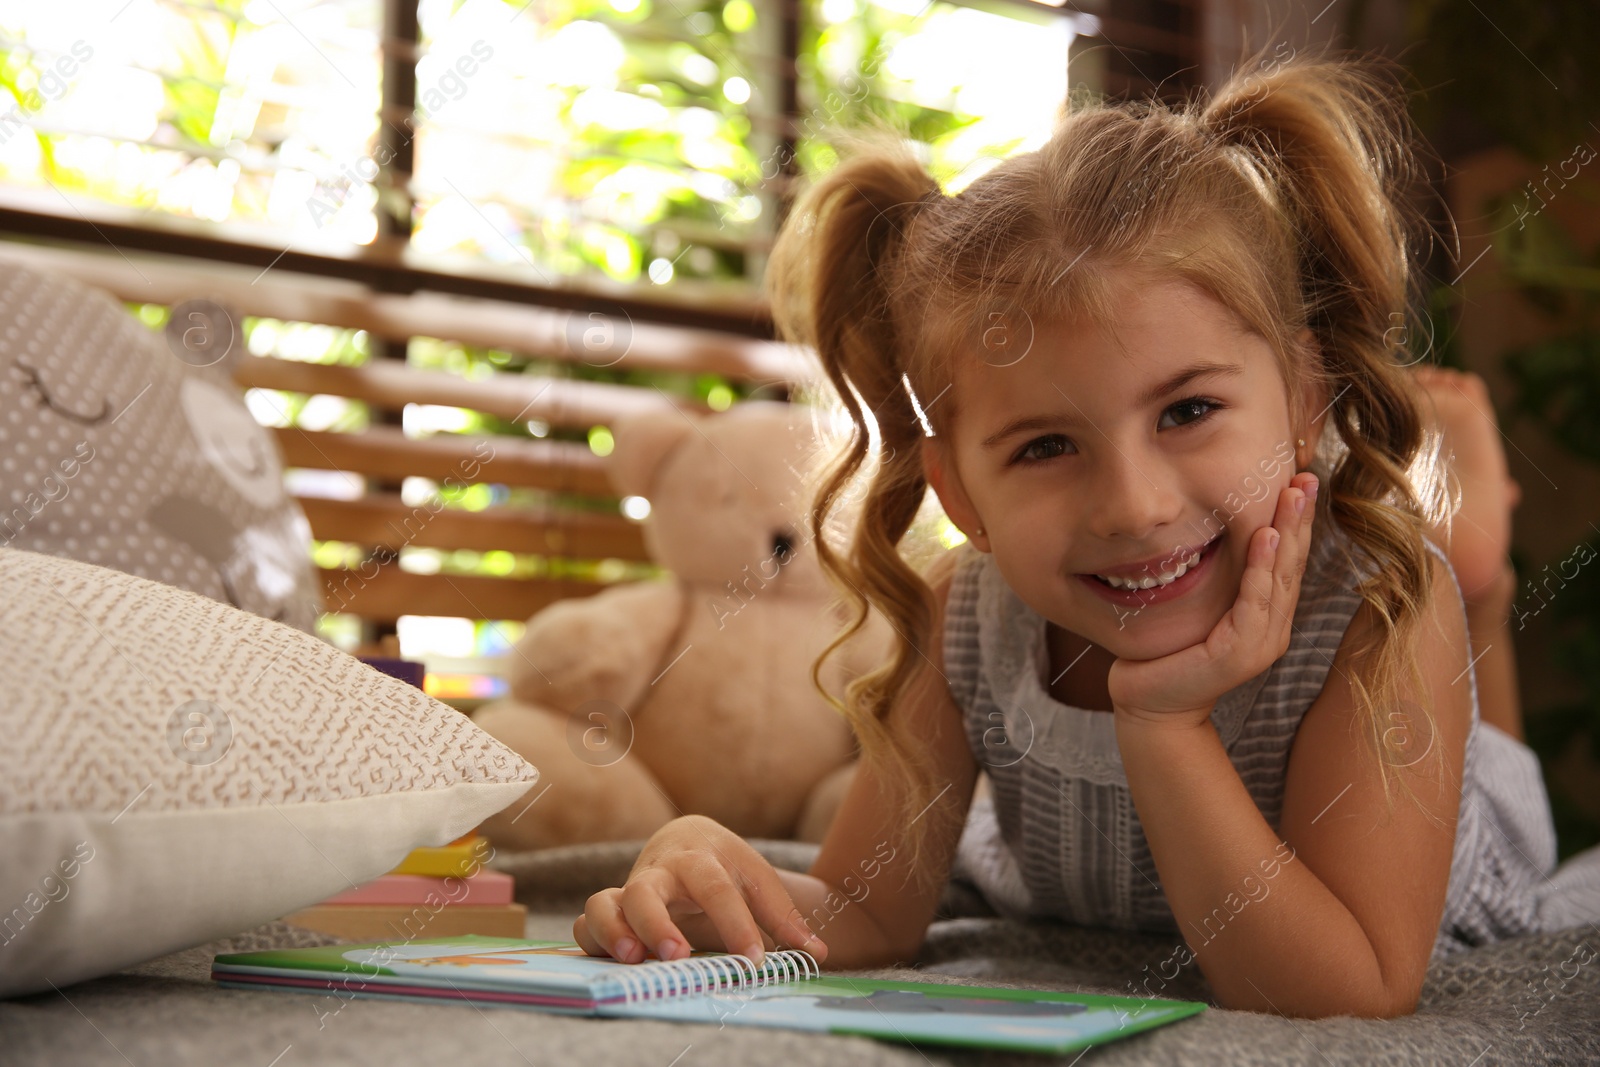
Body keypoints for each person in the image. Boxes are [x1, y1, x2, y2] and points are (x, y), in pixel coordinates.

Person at [574, 54, 1590, 1018]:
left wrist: (1163, 723)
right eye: (1045, 445)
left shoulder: (1371, 607)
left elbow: (1351, 991)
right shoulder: (966, 612)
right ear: (961, 494)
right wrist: (706, 878)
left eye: (1187, 411)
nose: (1134, 505)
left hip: (1475, 828)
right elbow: (871, 912)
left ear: (1304, 397)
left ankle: (1478, 569)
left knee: (1449, 608)